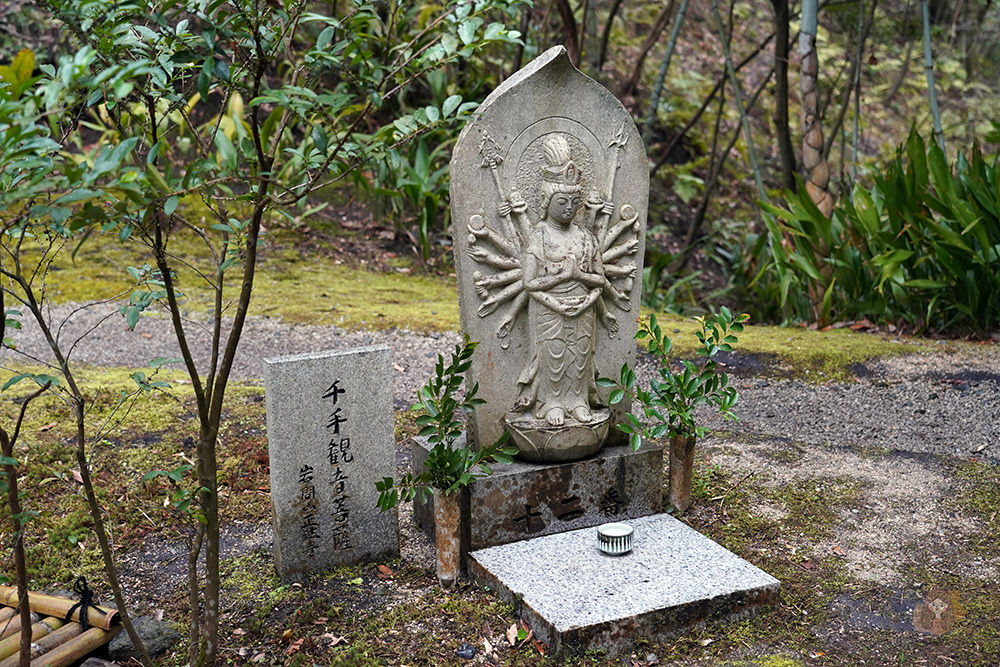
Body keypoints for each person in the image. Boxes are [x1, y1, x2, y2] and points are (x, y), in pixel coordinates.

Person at [512, 134, 608, 427]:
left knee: (579, 356)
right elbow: (530, 283)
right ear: (546, 201)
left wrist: (579, 280)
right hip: (549, 311)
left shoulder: (585, 237)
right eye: (562, 201)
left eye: (573, 202)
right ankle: (550, 402)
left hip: (582, 307)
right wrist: (558, 293)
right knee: (553, 356)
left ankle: (578, 401)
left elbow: (600, 279)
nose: (568, 207)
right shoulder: (539, 236)